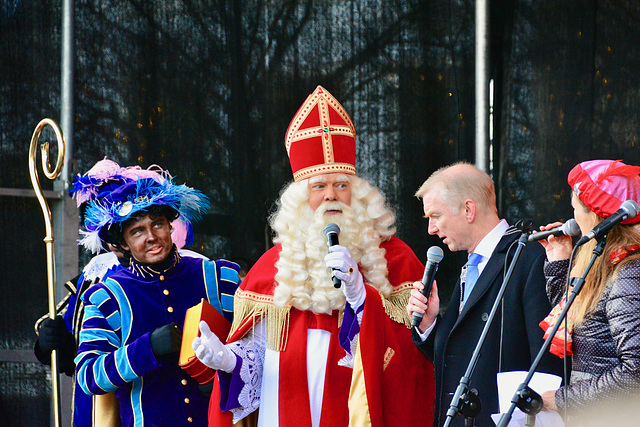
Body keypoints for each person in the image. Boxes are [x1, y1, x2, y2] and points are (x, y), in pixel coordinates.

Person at [192, 85, 435, 426]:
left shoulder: (396, 259)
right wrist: (229, 361)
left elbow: (414, 361)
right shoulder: (273, 266)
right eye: (319, 187)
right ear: (299, 197)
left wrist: (361, 298)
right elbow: (261, 355)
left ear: (359, 193)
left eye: (341, 185)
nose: (331, 196)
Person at [74, 176, 240, 426]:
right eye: (137, 231)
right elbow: (88, 376)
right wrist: (147, 348)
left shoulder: (219, 278)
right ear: (123, 243)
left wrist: (222, 374)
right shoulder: (107, 297)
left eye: (157, 224)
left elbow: (256, 354)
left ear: (171, 226)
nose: (151, 237)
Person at [407, 162, 563, 426]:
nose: (431, 229)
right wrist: (430, 325)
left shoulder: (529, 257)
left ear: (468, 209)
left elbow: (546, 362)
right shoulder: (472, 262)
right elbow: (465, 356)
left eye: (435, 216)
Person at [538, 159, 640, 425]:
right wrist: (560, 262)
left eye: (575, 209)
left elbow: (636, 371)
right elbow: (578, 319)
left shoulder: (629, 272)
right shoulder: (607, 260)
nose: (573, 218)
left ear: (594, 215)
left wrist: (562, 399)